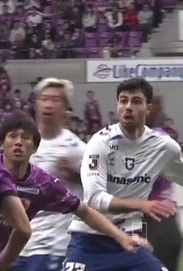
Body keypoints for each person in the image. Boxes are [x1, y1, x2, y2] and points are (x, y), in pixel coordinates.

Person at [0, 112, 148, 259]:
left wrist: (122, 237)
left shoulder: (42, 184)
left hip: (3, 257)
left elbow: (85, 212)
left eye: (25, 138)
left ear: (35, 148)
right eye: (12, 136)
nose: (18, 142)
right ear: (1, 144)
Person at [65, 78, 183, 270]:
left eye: (136, 101)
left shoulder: (164, 147)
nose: (128, 106)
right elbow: (94, 199)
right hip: (90, 242)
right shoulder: (100, 142)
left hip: (131, 241)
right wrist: (142, 205)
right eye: (123, 100)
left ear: (148, 108)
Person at [15, 78, 86, 271]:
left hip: (55, 244)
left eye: (55, 100)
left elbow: (101, 187)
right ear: (36, 104)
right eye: (44, 98)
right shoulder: (23, 143)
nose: (48, 104)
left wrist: (76, 176)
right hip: (21, 242)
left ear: (65, 108)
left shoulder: (76, 148)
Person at [145, 95, 182, 271]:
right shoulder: (119, 140)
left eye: (155, 107)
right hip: (139, 218)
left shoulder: (161, 139)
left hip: (160, 218)